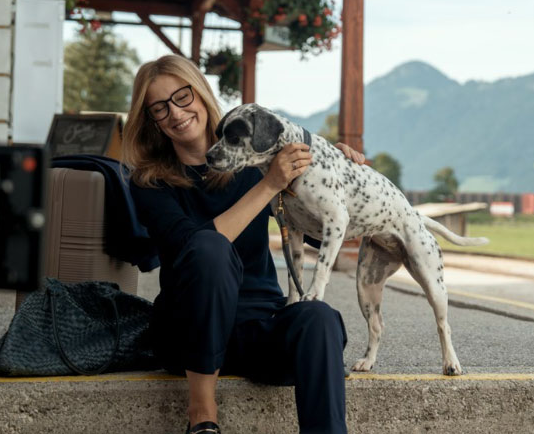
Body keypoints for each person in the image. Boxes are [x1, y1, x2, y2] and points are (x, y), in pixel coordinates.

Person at [122, 55, 365, 434]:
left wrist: (339, 178)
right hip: (187, 336)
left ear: (201, 95)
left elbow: (323, 234)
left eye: (182, 96)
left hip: (258, 330)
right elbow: (194, 247)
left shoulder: (255, 164)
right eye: (159, 107)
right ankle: (202, 414)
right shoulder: (149, 183)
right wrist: (269, 184)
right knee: (210, 247)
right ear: (151, 119)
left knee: (318, 318)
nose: (175, 112)